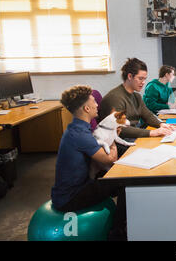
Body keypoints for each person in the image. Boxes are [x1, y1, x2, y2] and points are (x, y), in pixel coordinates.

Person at [51, 85, 126, 240]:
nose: (97, 104)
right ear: (86, 108)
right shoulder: (81, 135)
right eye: (94, 102)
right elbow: (110, 159)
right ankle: (117, 232)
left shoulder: (77, 128)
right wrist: (112, 140)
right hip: (70, 197)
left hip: (77, 186)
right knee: (124, 183)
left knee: (116, 176)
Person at [99, 58, 175, 156]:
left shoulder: (136, 96)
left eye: (144, 79)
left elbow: (147, 115)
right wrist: (151, 133)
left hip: (133, 136)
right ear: (130, 76)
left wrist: (161, 124)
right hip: (120, 143)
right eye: (140, 78)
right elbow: (120, 129)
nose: (143, 82)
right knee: (161, 152)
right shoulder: (116, 98)